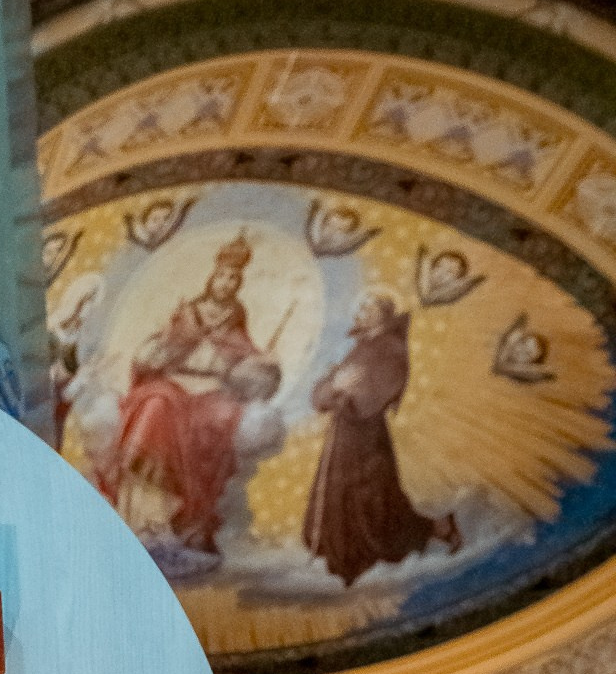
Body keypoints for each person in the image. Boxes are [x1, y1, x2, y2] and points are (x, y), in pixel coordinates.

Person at [94, 234, 278, 558]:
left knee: (221, 419)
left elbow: (245, 361)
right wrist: (171, 346)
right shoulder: (187, 313)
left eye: (234, 279)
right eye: (223, 275)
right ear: (213, 277)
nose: (227, 283)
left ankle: (186, 521)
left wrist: (257, 367)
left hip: (210, 393)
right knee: (154, 405)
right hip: (171, 384)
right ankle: (141, 518)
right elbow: (152, 354)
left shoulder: (235, 321)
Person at [302, 290, 459, 585]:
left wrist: (345, 393)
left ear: (383, 314)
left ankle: (360, 553)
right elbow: (326, 389)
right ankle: (345, 550)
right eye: (360, 307)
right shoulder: (362, 347)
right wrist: (335, 387)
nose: (360, 312)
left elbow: (385, 385)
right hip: (345, 432)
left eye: (368, 307)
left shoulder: (390, 348)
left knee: (371, 496)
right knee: (346, 491)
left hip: (366, 434)